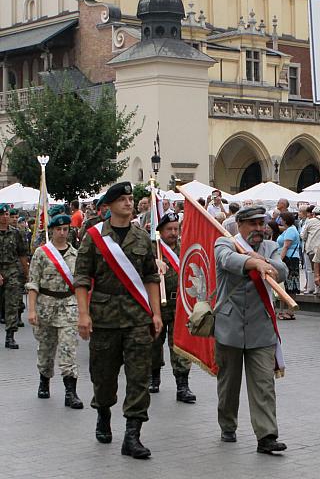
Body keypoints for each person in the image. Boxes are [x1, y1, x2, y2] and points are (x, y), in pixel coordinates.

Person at [74, 182, 163, 459]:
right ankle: (103, 413)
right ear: (108, 205)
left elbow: (150, 276)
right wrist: (83, 313)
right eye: (122, 199)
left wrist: (156, 313)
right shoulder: (93, 237)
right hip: (104, 316)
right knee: (103, 376)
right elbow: (81, 278)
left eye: (130, 198)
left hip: (137, 317)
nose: (128, 203)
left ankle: (132, 436)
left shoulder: (142, 237)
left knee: (139, 376)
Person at [214, 206, 288, 454]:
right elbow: (226, 260)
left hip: (261, 327)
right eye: (253, 224)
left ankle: (266, 436)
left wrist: (266, 263)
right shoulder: (225, 242)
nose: (259, 229)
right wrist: (253, 262)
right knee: (228, 385)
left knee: (264, 385)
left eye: (261, 223)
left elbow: (282, 270)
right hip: (230, 326)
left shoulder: (270, 246)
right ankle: (227, 425)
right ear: (241, 225)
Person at [26, 214, 82, 408]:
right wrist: (31, 310)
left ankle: (70, 392)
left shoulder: (76, 255)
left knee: (69, 349)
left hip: (69, 305)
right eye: (58, 229)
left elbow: (81, 284)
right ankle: (44, 381)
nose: (62, 232)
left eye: (65, 229)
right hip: (46, 306)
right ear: (51, 230)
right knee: (46, 349)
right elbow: (33, 283)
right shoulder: (42, 253)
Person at [148, 211, 195, 403]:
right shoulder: (152, 250)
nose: (173, 233)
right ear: (160, 230)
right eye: (169, 229)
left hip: (179, 303)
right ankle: (154, 377)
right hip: (156, 304)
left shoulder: (185, 248)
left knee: (180, 345)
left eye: (176, 229)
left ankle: (182, 385)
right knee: (153, 343)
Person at [0, 203, 29, 349]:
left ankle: (10, 336)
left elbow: (22, 253)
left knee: (12, 304)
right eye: (2, 215)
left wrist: (26, 273)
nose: (5, 217)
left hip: (11, 270)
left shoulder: (15, 233)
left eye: (6, 214)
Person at [277, 212, 301, 307]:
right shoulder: (289, 229)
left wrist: (279, 260)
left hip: (289, 259)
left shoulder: (290, 230)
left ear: (285, 220)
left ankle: (290, 310)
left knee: (290, 284)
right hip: (289, 258)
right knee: (288, 284)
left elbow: (286, 246)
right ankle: (288, 309)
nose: (280, 220)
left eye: (281, 219)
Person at [300, 205, 320, 295]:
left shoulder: (310, 221)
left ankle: (311, 288)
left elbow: (303, 235)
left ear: (313, 213)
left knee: (311, 269)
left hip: (311, 248)